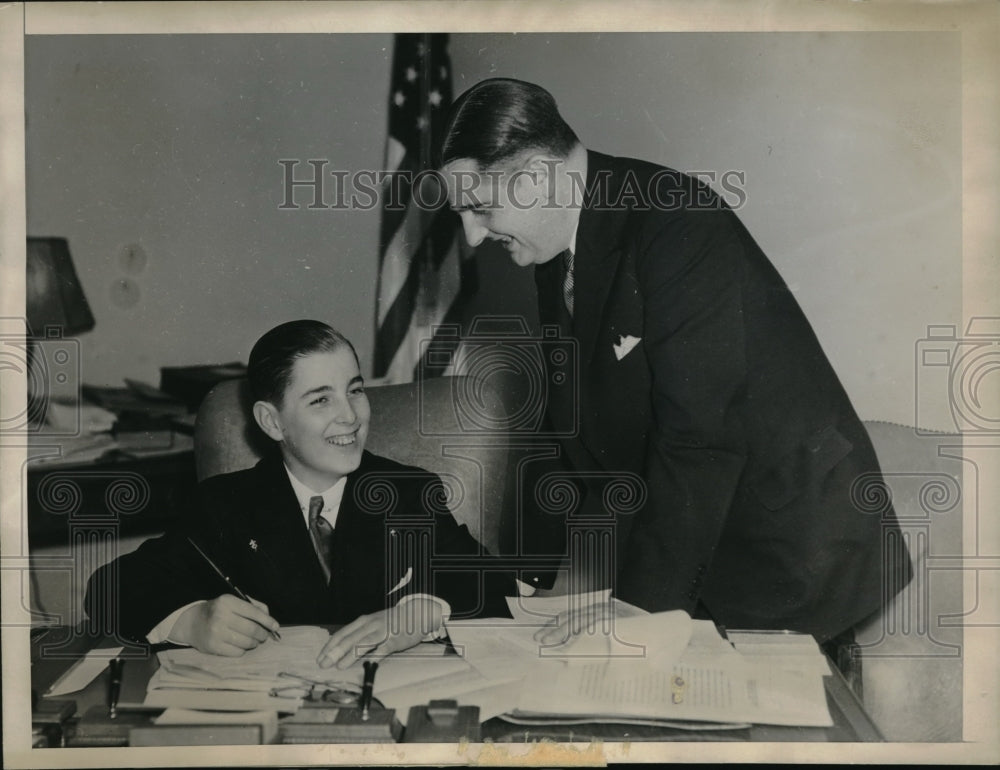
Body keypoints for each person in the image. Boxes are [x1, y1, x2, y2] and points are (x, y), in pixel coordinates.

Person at [439, 78, 912, 645]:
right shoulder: (557, 247)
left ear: (538, 178)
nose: (470, 235)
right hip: (698, 551)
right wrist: (539, 587)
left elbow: (700, 435)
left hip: (792, 547)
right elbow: (571, 431)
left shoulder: (676, 220)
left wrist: (641, 611)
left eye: (480, 208)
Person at [84, 320, 514, 666]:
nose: (350, 416)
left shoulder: (408, 493)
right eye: (320, 400)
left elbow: (493, 584)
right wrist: (190, 621)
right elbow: (108, 590)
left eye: (355, 390)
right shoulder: (225, 506)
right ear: (272, 423)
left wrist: (421, 612)